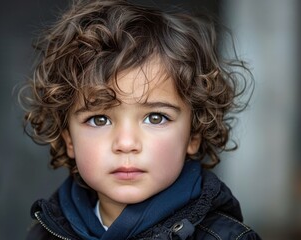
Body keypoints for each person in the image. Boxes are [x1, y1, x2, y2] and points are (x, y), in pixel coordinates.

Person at [20, 0, 261, 239]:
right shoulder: (44, 233)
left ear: (193, 135)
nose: (126, 143)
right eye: (99, 120)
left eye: (155, 118)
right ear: (69, 140)